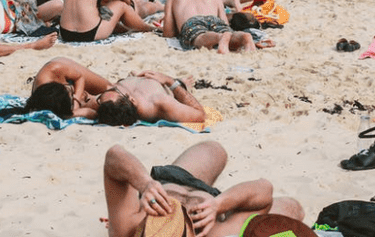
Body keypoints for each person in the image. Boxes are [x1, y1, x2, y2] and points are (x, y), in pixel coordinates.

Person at [103, 141, 305, 237]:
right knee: (292, 208)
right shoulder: (215, 233)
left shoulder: (128, 227)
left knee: (214, 149)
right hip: (214, 203)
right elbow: (264, 189)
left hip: (169, 181)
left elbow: (115, 155)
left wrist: (145, 184)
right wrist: (219, 204)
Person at [164, 0, 256, 53]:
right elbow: (224, 22)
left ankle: (219, 37)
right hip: (215, 20)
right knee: (227, 33)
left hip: (192, 22)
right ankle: (244, 37)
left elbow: (168, 32)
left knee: (199, 38)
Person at [95, 70, 206, 126]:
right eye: (116, 89)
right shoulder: (159, 103)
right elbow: (200, 115)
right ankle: (182, 82)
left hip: (145, 78)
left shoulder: (108, 104)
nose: (112, 87)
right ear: (133, 100)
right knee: (183, 83)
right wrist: (170, 81)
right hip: (167, 85)